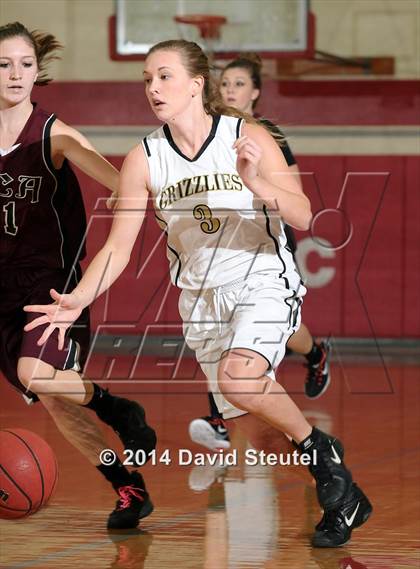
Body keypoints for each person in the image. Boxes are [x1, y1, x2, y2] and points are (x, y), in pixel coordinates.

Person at [24, 39, 372, 547]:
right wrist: (78, 297)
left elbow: (301, 214)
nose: (152, 88)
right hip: (202, 305)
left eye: (164, 76)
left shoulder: (245, 135)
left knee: (238, 379)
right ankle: (342, 492)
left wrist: (258, 184)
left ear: (195, 84)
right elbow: (119, 249)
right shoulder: (145, 157)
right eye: (146, 78)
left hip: (261, 280)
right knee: (263, 437)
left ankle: (323, 455)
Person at [0, 22, 156, 529]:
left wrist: (120, 188)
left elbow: (114, 176)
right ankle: (129, 488)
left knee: (35, 377)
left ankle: (117, 407)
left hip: (49, 287)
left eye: (25, 63)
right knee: (58, 406)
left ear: (38, 69)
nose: (16, 73)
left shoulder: (53, 134)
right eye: (4, 64)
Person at [189, 53, 331, 452]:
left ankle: (315, 352)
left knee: (283, 332)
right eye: (226, 83)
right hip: (225, 242)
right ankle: (219, 419)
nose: (230, 89)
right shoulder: (207, 133)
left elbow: (295, 196)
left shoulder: (266, 134)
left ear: (255, 92)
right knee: (216, 325)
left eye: (238, 83)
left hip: (269, 238)